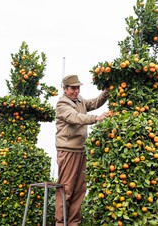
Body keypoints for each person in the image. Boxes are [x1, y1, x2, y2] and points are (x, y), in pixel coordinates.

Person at [55, 74, 108, 226]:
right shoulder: (62, 104)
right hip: (68, 151)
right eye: (73, 88)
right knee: (66, 190)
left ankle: (73, 223)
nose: (76, 91)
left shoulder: (79, 100)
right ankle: (60, 223)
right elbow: (75, 117)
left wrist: (105, 93)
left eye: (78, 88)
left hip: (81, 151)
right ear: (65, 89)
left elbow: (94, 103)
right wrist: (96, 118)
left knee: (79, 190)